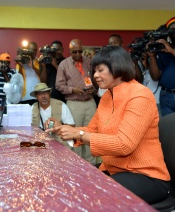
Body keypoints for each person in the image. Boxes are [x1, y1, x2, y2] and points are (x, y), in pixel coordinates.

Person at [47, 45, 170, 204]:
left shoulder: (140, 96)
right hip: (116, 170)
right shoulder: (107, 97)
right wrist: (67, 129)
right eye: (94, 71)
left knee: (95, 195)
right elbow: (91, 130)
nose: (95, 76)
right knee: (73, 183)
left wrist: (79, 134)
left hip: (147, 176)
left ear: (117, 67)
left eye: (100, 70)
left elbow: (124, 144)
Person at [55, 39, 98, 165]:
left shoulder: (89, 62)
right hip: (74, 103)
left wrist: (93, 89)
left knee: (91, 133)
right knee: (75, 134)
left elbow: (96, 81)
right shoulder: (64, 64)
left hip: (90, 102)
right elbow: (59, 85)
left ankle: (92, 165)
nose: (78, 54)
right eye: (75, 52)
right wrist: (72, 89)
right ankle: (77, 164)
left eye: (80, 51)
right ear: (69, 51)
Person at [148, 17, 175, 116]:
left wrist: (171, 51)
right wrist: (153, 57)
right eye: (172, 30)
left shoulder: (168, 49)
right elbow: (155, 77)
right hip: (166, 96)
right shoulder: (163, 50)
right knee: (168, 129)